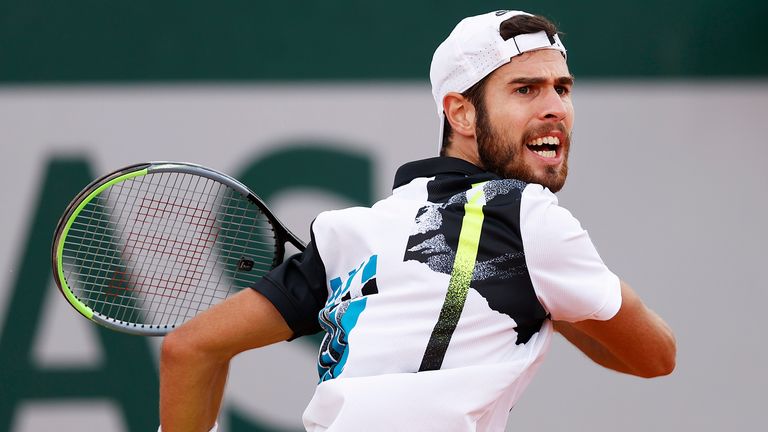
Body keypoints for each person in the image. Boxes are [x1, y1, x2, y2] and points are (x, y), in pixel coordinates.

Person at [159, 10, 676, 432]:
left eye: (562, 88)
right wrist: (558, 294)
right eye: (525, 90)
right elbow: (653, 356)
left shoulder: (351, 233)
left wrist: (548, 293)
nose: (555, 108)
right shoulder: (527, 215)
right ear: (462, 114)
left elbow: (191, 348)